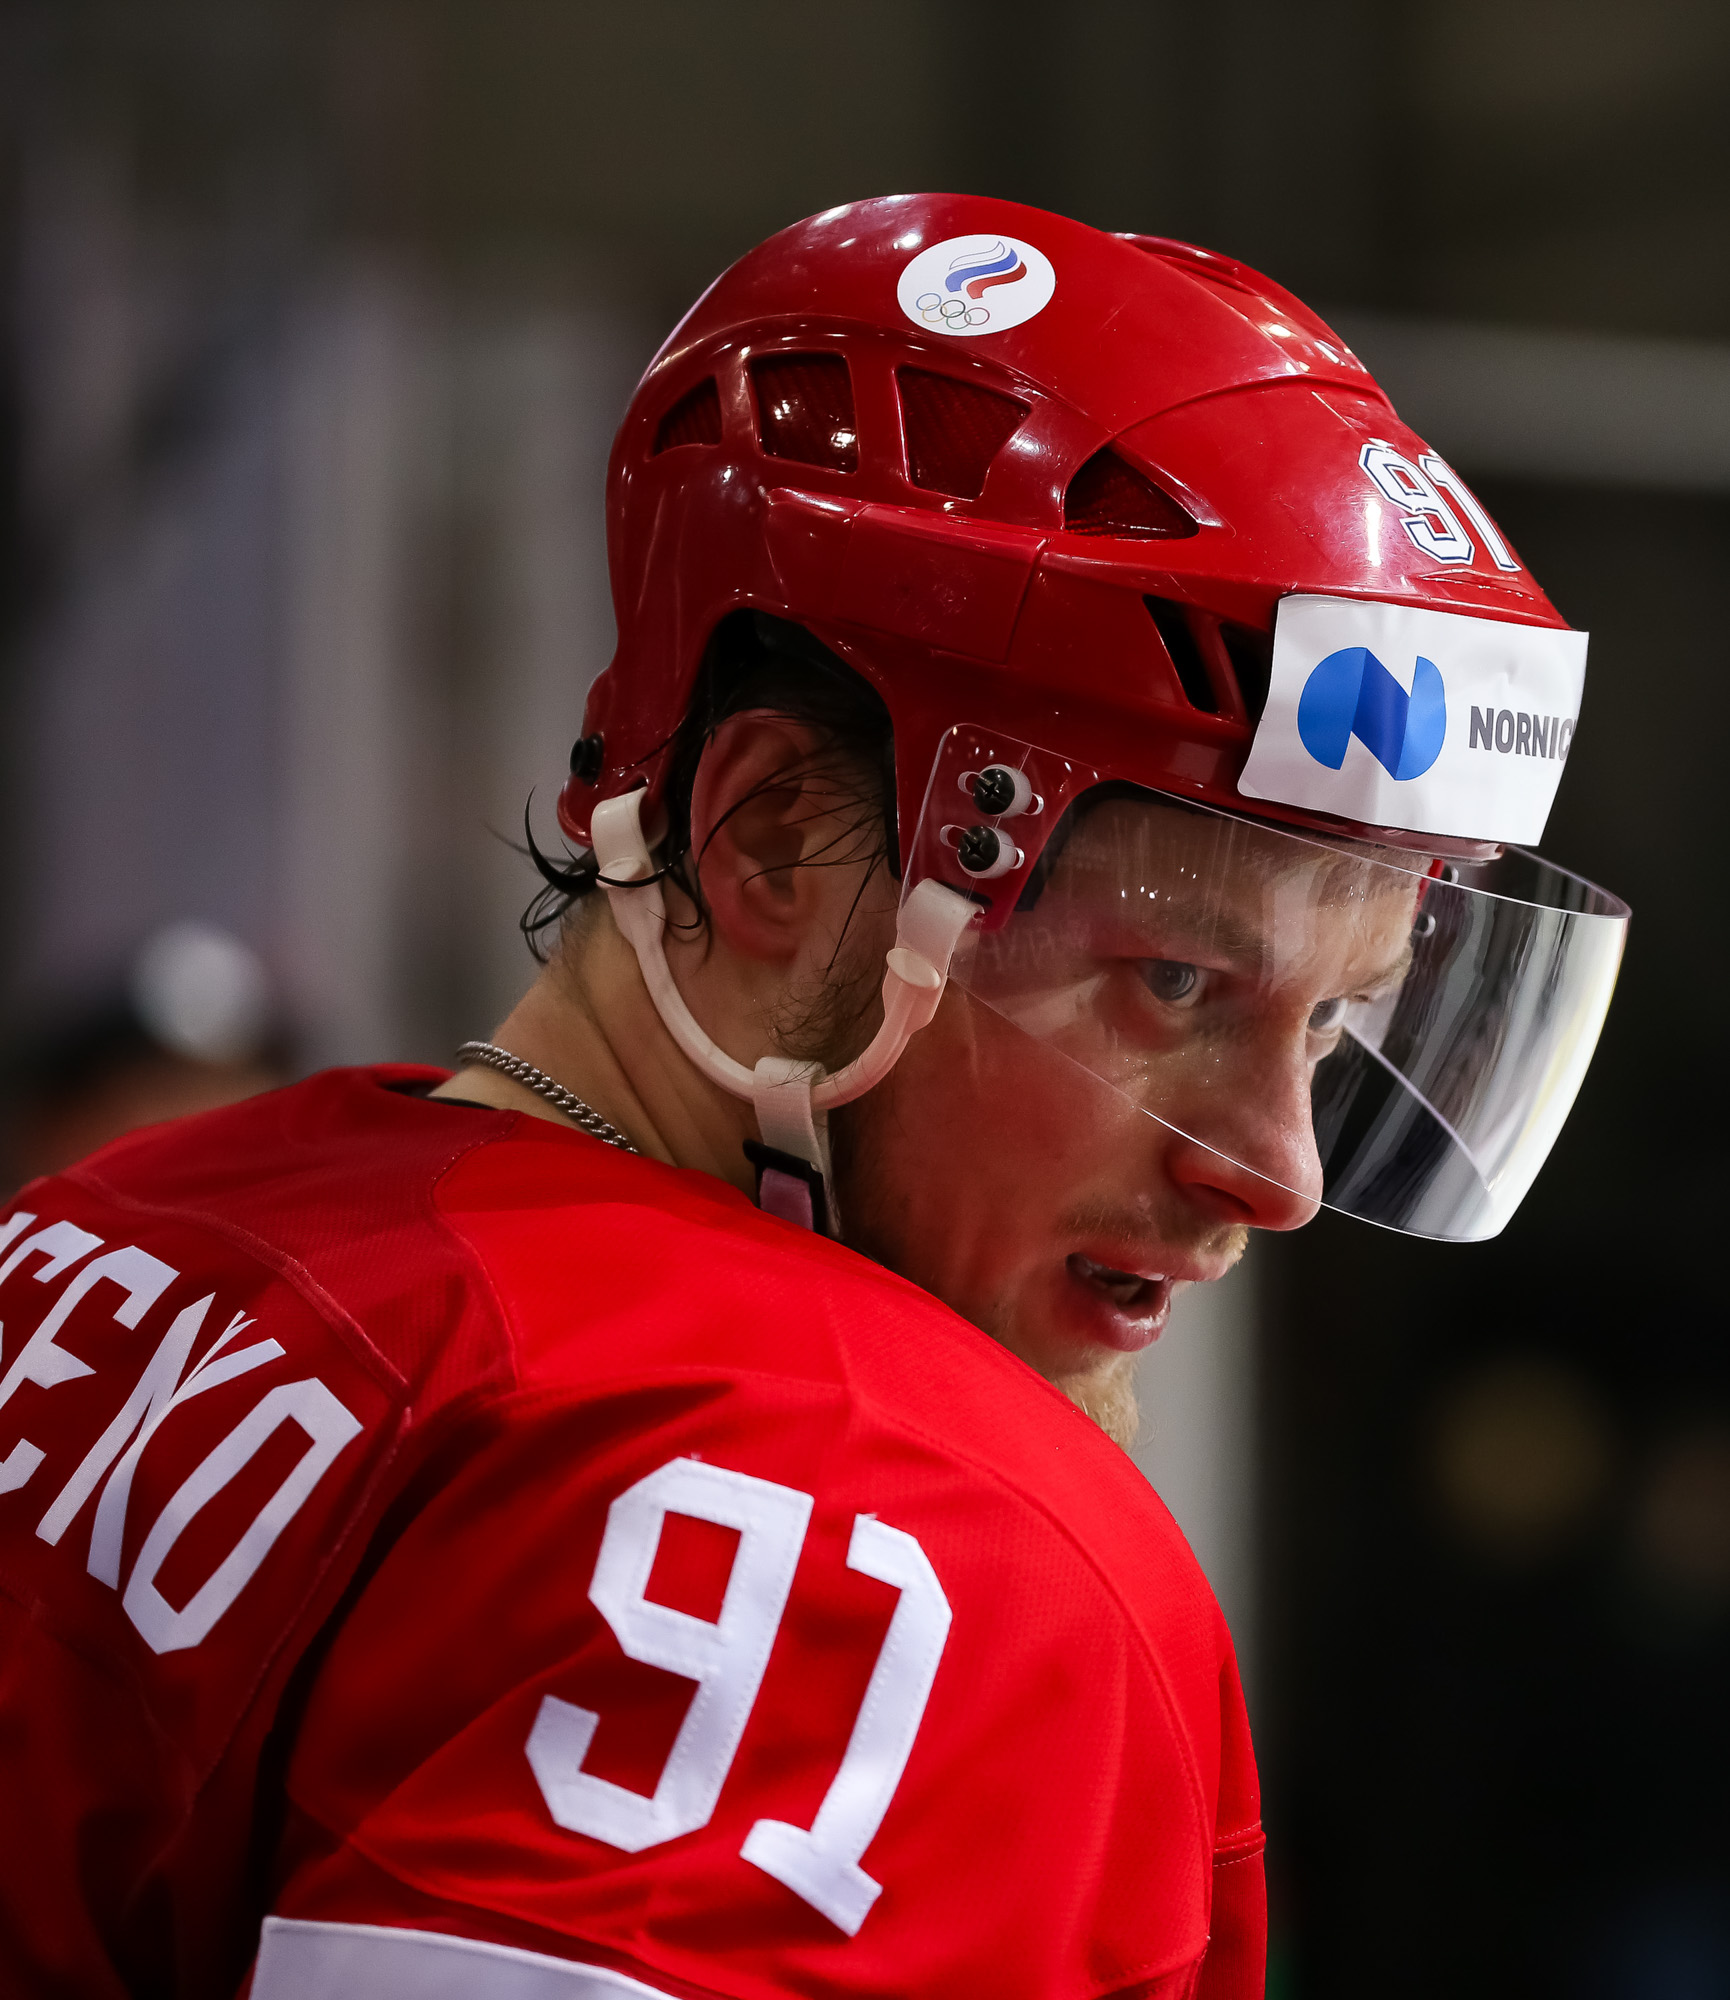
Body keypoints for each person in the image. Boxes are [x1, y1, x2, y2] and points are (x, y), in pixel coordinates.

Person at [0, 196, 1627, 1999]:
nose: (1277, 1173)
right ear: (774, 839)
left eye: (1329, 1027)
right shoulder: (886, 1513)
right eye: (1177, 982)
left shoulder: (105, 1237)